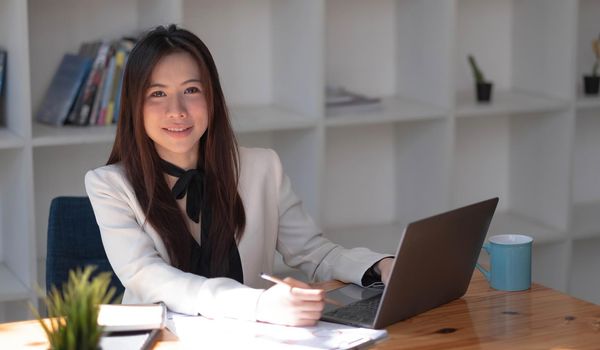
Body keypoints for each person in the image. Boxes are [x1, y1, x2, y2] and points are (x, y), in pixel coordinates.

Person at [85, 24, 394, 327]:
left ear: (213, 98)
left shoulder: (262, 168)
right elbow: (147, 276)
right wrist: (258, 304)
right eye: (157, 93)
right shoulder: (109, 185)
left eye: (191, 90)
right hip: (160, 341)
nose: (176, 110)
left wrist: (380, 265)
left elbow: (314, 252)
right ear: (134, 106)